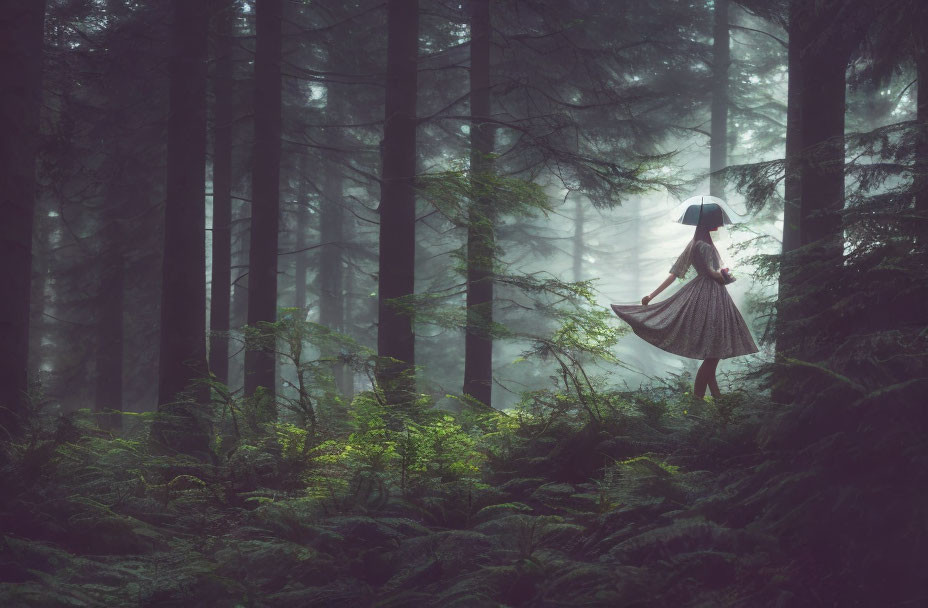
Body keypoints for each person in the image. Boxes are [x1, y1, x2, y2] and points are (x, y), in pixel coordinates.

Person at [610, 207, 758, 399]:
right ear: (708, 221)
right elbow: (714, 275)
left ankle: (717, 399)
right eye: (716, 219)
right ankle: (700, 400)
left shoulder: (694, 243)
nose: (719, 223)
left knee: (713, 353)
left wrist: (651, 296)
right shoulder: (703, 245)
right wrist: (726, 276)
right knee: (713, 354)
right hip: (710, 296)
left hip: (704, 294)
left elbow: (674, 274)